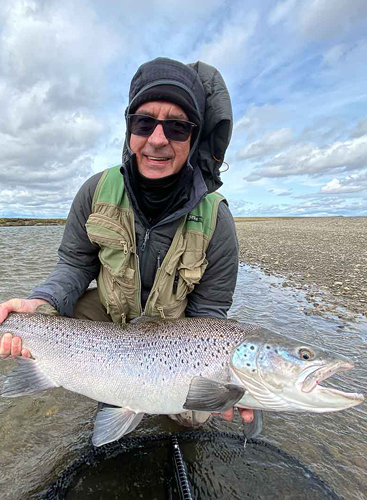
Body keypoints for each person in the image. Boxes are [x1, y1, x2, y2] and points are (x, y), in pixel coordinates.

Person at [0, 57, 252, 425]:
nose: (158, 139)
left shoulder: (218, 220)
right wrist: (39, 302)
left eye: (178, 127)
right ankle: (74, 376)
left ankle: (128, 392)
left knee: (196, 414)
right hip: (106, 317)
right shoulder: (95, 190)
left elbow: (209, 316)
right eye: (144, 122)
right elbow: (73, 266)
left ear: (194, 136)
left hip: (173, 335)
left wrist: (218, 386)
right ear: (129, 128)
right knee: (43, 320)